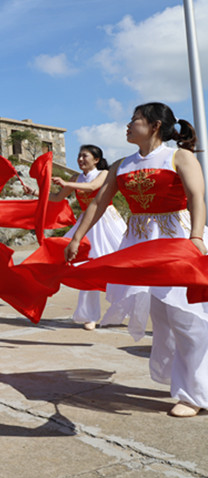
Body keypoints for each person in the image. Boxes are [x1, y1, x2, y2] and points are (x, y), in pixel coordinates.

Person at [66, 102, 208, 418]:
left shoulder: (179, 157)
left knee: (186, 317)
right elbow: (98, 203)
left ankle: (195, 394)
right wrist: (77, 238)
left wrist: (196, 237)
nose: (128, 125)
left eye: (135, 120)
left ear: (155, 126)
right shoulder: (122, 164)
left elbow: (196, 197)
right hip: (140, 244)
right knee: (163, 317)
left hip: (177, 241)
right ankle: (184, 384)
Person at [35, 145, 125, 330]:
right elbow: (57, 197)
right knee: (85, 267)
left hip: (106, 221)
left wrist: (67, 184)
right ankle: (89, 315)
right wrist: (36, 192)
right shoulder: (75, 178)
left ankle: (123, 309)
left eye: (85, 156)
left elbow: (92, 187)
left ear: (96, 159)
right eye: (79, 156)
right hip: (86, 224)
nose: (81, 159)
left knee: (120, 264)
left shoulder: (103, 174)